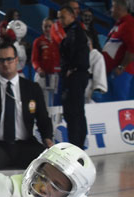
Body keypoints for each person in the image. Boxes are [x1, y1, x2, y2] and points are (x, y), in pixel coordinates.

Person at [0, 42, 54, 175]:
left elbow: (43, 119)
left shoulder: (32, 88)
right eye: (1, 60)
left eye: (9, 59)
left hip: (26, 145)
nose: (5, 64)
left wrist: (47, 137)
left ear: (16, 60)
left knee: (49, 162)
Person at [58, 4, 89, 148]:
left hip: (75, 76)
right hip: (76, 75)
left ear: (72, 16)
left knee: (73, 113)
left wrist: (72, 68)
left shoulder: (75, 31)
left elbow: (75, 53)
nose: (61, 21)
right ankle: (77, 144)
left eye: (63, 17)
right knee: (76, 112)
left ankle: (76, 145)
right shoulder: (72, 31)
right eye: (59, 18)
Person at [102, 0, 134, 102]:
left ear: (119, 9)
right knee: (109, 104)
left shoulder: (128, 25)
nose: (111, 9)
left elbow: (132, 50)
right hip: (112, 71)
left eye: (113, 7)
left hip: (120, 73)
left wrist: (122, 67)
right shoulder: (119, 25)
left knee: (119, 104)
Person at [32, 17, 61, 108]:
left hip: (54, 75)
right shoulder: (38, 41)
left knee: (53, 100)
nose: (48, 29)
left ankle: (52, 116)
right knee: (41, 100)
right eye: (45, 26)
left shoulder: (58, 41)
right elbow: (34, 59)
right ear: (42, 27)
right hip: (42, 75)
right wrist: (39, 69)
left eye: (50, 26)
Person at [86, 38, 107, 103]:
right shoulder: (76, 55)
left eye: (89, 44)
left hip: (89, 87)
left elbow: (99, 73)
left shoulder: (96, 55)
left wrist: (98, 90)